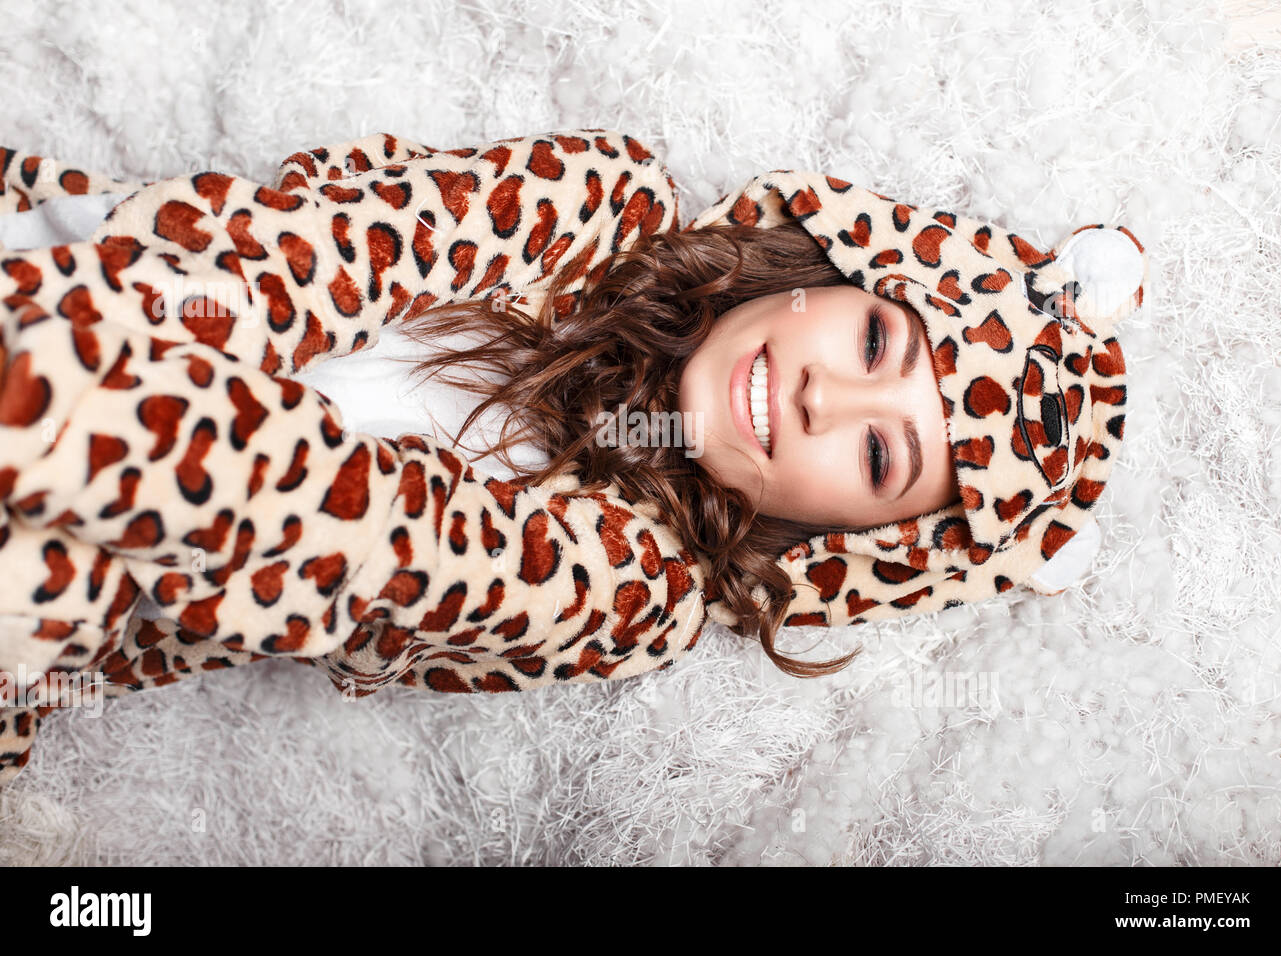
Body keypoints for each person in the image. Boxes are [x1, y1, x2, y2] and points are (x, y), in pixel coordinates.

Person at [0, 128, 1145, 785]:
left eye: (881, 451)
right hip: (84, 275)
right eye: (875, 339)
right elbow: (302, 258)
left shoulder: (638, 594)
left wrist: (89, 423)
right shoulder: (595, 201)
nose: (821, 393)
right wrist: (87, 339)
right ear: (822, 275)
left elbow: (363, 536)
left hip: (67, 575)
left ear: (846, 538)